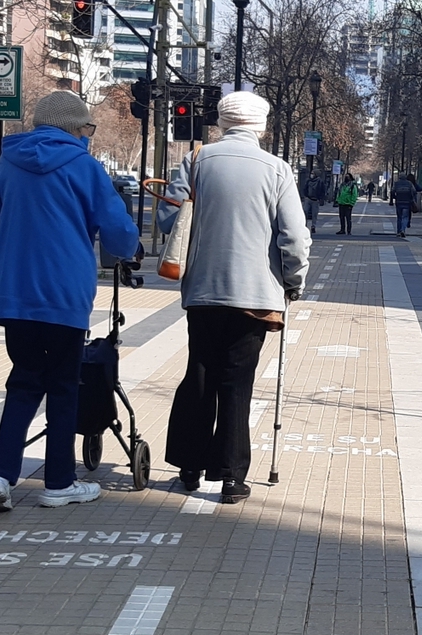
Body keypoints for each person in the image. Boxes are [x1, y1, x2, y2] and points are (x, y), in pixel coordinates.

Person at [0, 91, 140, 512]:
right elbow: (118, 230)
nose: (89, 134)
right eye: (88, 127)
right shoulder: (85, 168)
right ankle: (59, 483)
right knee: (65, 386)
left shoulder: (7, 164)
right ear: (74, 127)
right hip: (65, 293)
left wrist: (13, 241)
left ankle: (0, 477)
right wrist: (125, 248)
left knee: (24, 380)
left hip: (15, 293)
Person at [157, 91, 311, 504]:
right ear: (260, 126)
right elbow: (293, 237)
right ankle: (230, 476)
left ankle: (189, 465)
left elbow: (168, 217)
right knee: (237, 381)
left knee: (200, 371)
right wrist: (294, 281)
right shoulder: (277, 169)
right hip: (256, 295)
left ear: (221, 123)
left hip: (203, 290)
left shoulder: (195, 161)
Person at [391, 172, 417, 237]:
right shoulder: (409, 183)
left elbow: (392, 191)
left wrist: (395, 197)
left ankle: (398, 231)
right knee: (405, 217)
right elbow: (414, 191)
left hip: (399, 202)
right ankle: (403, 229)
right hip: (407, 202)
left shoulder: (396, 184)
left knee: (399, 217)